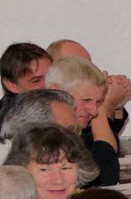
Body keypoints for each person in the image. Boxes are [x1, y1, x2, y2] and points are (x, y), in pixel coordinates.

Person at [42, 55, 122, 183]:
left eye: (99, 102)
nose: (94, 110)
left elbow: (107, 151)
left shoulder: (71, 133)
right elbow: (104, 179)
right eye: (86, 100)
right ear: (56, 93)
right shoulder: (39, 136)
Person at [0, 42, 53, 162]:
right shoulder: (20, 120)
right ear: (11, 85)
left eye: (51, 76)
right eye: (36, 80)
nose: (48, 85)